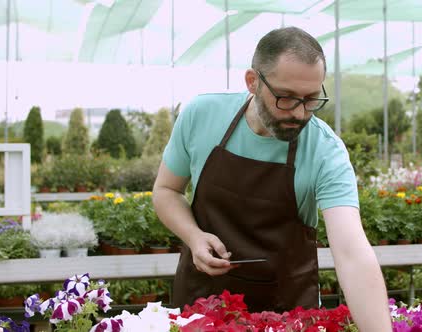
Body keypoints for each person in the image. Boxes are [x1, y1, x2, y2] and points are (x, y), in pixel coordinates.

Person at [152, 26, 392, 331]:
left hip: (287, 313)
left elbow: (352, 253)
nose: (300, 113)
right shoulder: (202, 115)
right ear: (253, 82)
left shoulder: (325, 151)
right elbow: (166, 190)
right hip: (202, 306)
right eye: (286, 98)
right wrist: (194, 237)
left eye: (311, 99)